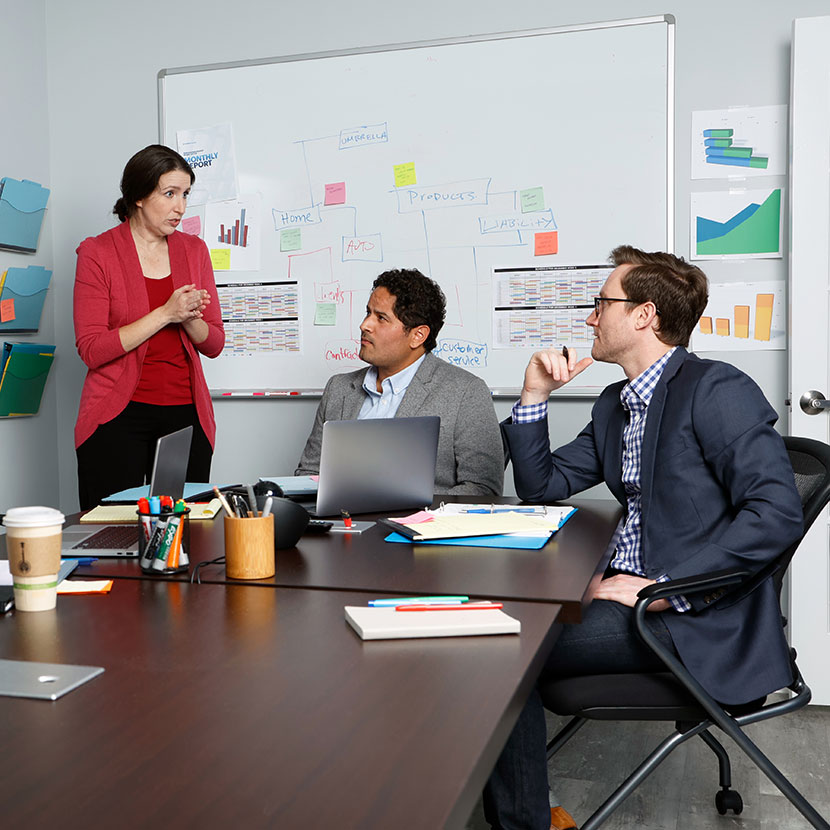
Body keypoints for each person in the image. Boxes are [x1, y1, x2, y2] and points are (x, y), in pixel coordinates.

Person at [484, 246, 803, 830]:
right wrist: (534, 397)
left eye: (600, 303)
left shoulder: (715, 388)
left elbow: (776, 511)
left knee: (502, 648)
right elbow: (543, 485)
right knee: (500, 623)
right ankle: (526, 811)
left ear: (644, 315)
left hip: (685, 617)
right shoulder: (616, 403)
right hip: (621, 594)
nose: (589, 318)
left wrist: (657, 588)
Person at [73, 145, 225, 510]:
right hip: (117, 415)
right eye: (169, 194)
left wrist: (190, 318)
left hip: (185, 415)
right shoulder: (97, 253)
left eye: (186, 194)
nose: (181, 207)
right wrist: (166, 313)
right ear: (139, 196)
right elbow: (92, 349)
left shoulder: (194, 251)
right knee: (112, 531)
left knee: (183, 535)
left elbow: (214, 343)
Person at [296, 268, 503, 496]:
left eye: (381, 318)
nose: (365, 325)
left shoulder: (466, 392)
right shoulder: (339, 389)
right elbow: (308, 474)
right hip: (343, 525)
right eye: (368, 313)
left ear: (418, 336)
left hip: (420, 526)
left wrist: (411, 509)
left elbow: (484, 490)